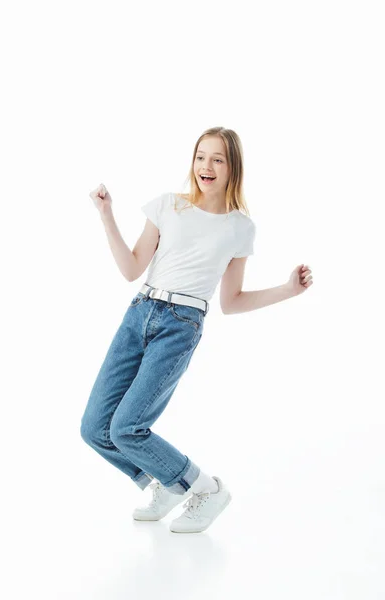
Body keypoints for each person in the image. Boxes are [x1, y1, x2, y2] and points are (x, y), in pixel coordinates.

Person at [80, 126, 313, 534]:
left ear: (231, 168)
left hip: (181, 325)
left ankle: (206, 489)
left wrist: (288, 290)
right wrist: (106, 216)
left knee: (126, 427)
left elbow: (231, 301)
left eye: (217, 158)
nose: (206, 165)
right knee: (95, 429)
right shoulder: (168, 205)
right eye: (201, 156)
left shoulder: (240, 228)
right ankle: (169, 485)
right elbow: (132, 269)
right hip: (138, 313)